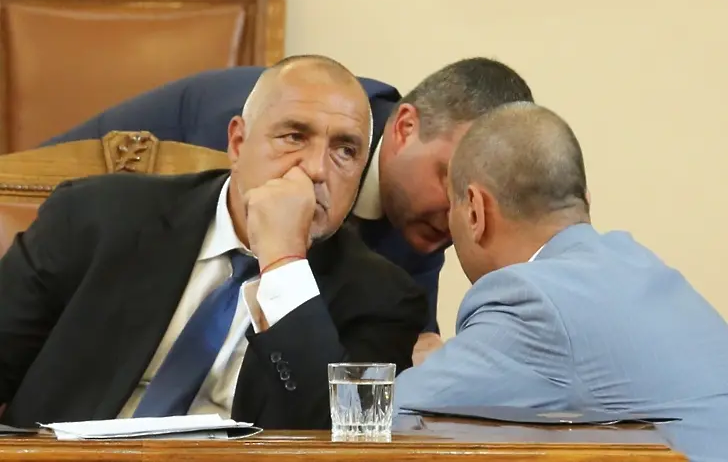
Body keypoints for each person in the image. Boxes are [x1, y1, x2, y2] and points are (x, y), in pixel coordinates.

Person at [0, 55, 427, 429]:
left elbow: (344, 438)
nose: (316, 169)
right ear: (238, 143)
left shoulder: (384, 299)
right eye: (294, 137)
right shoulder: (95, 218)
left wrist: (283, 264)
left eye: (345, 151)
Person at [44, 58, 534, 360]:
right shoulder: (275, 134)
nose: (456, 215)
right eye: (450, 179)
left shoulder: (422, 216)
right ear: (404, 129)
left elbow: (391, 346)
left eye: (473, 198)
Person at [393, 102, 728, 462]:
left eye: (452, 206)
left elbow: (379, 419)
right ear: (584, 201)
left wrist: (426, 367)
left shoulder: (532, 303)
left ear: (475, 210)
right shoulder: (636, 262)